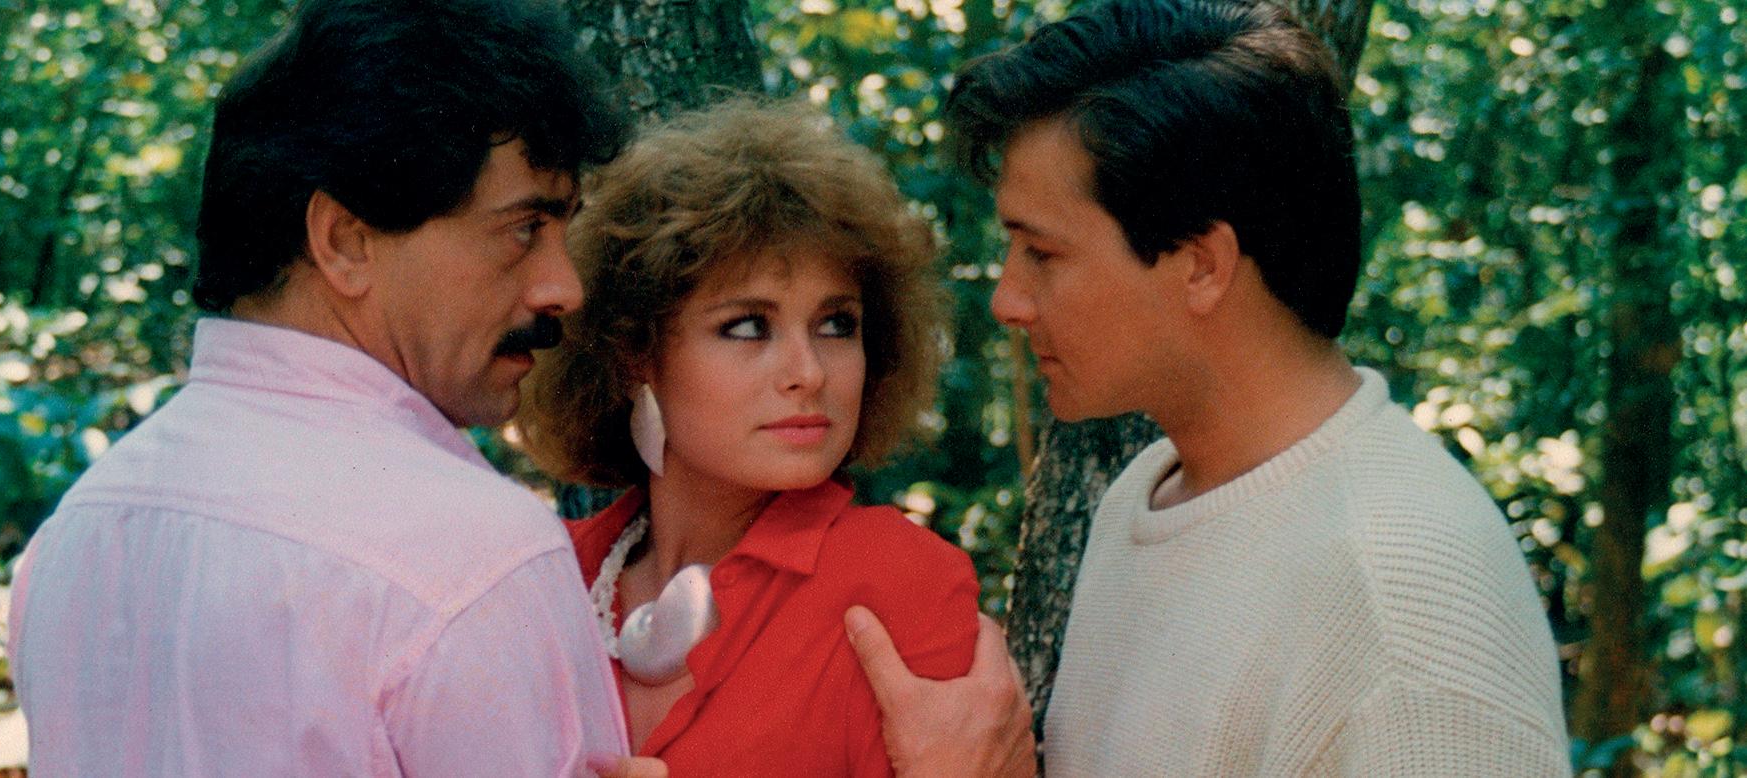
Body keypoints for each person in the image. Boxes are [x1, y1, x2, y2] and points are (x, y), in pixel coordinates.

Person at [846, 0, 1572, 774]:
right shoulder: (1146, 496)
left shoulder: (1403, 600)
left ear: (1202, 266)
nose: (1007, 301)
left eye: (1043, 254)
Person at [5, 0, 658, 774]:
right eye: (525, 229)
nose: (563, 288)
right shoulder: (477, 560)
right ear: (344, 241)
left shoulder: (79, 533)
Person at [517, 100, 981, 775]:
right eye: (747, 327)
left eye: (836, 324)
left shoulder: (898, 582)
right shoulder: (542, 577)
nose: (808, 373)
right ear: (635, 355)